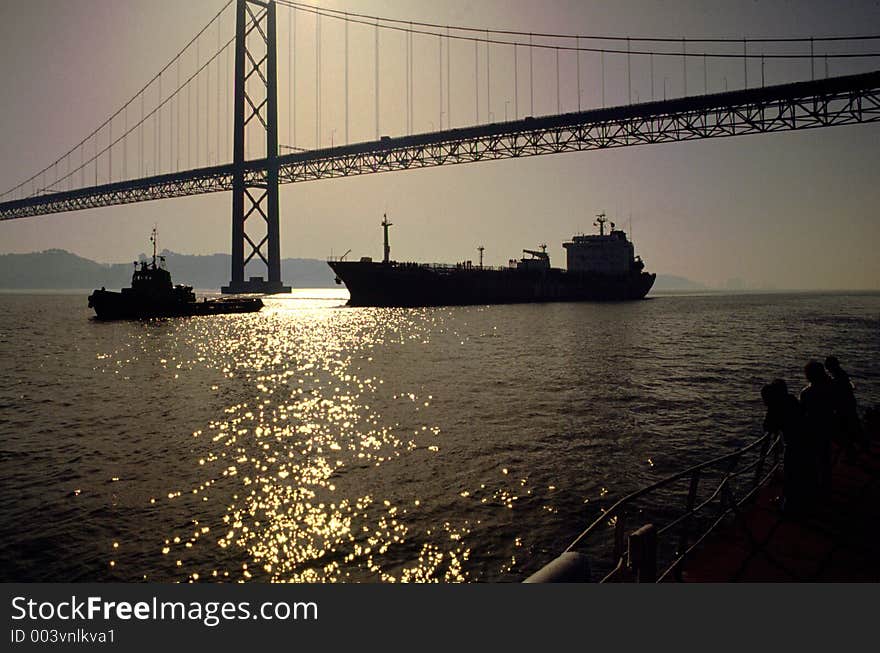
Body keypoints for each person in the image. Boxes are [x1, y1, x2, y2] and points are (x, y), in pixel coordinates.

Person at [762, 379, 814, 513]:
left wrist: (770, 407)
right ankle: (798, 499)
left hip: (794, 443)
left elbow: (768, 426)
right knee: (799, 471)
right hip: (806, 438)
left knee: (791, 472)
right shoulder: (791, 399)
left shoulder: (777, 406)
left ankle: (788, 506)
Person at [800, 360, 837, 497]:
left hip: (812, 429)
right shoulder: (830, 387)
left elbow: (802, 413)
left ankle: (814, 487)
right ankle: (826, 486)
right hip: (826, 425)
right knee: (824, 457)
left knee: (811, 459)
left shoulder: (807, 393)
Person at [825, 355, 866, 454]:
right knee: (853, 425)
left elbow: (837, 389)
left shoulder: (838, 376)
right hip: (848, 403)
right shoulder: (841, 374)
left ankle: (852, 449)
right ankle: (860, 445)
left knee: (846, 427)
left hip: (844, 405)